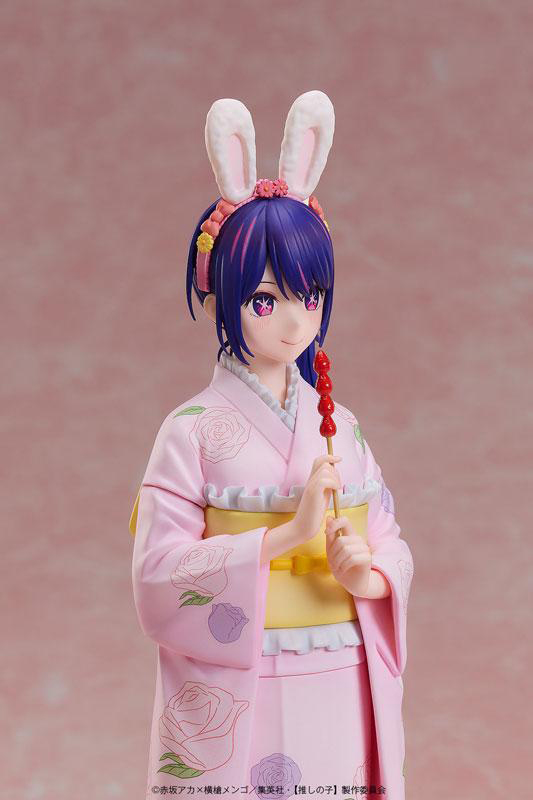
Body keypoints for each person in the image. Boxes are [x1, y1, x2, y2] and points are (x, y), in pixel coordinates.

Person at [130, 90, 413, 799]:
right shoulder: (190, 431)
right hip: (240, 683)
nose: (294, 323)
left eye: (308, 296)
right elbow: (157, 577)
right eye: (265, 300)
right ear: (221, 295)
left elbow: (388, 536)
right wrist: (284, 537)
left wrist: (369, 577)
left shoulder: (341, 426)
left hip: (338, 672)